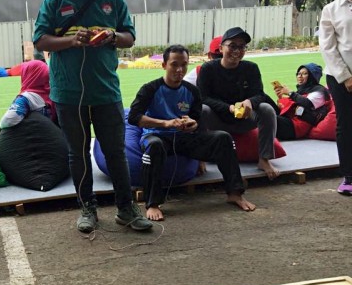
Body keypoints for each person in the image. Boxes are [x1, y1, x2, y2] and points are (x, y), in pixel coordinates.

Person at [34, 0, 152, 233]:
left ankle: (126, 208)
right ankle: (87, 208)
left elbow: (129, 37)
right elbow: (40, 40)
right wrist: (72, 41)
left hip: (106, 91)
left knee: (116, 152)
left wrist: (110, 35)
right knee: (77, 153)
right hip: (68, 93)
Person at [128, 45, 255, 221]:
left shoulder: (192, 90)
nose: (179, 70)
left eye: (184, 65)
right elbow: (134, 117)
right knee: (154, 146)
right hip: (157, 135)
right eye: (174, 64)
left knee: (224, 138)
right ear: (164, 65)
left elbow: (197, 121)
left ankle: (235, 193)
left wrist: (192, 124)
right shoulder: (150, 89)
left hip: (184, 137)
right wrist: (165, 123)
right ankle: (153, 203)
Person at [197, 27, 280, 180]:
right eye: (232, 46)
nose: (237, 51)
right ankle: (200, 158)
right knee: (201, 109)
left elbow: (260, 94)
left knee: (267, 109)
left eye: (241, 47)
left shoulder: (251, 68)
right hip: (217, 120)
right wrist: (228, 108)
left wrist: (249, 102)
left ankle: (264, 159)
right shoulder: (208, 69)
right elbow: (202, 97)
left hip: (245, 120)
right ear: (221, 48)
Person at [319, 0, 352, 196]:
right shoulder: (331, 9)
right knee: (346, 125)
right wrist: (346, 77)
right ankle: (349, 176)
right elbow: (328, 47)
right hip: (341, 78)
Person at [0, 60, 56, 136]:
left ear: (29, 75)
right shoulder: (53, 95)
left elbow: (9, 119)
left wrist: (0, 125)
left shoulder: (28, 98)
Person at [274, 63, 330, 140]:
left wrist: (290, 93)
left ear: (312, 76)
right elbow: (290, 106)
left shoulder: (319, 92)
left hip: (297, 127)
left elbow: (308, 103)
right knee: (265, 101)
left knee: (266, 117)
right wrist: (280, 97)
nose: (299, 76)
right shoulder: (301, 90)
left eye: (304, 74)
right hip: (290, 120)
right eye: (299, 73)